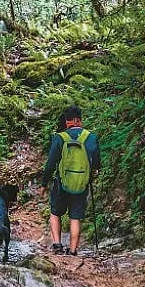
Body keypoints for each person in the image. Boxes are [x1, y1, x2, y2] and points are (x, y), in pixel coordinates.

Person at [39, 105, 100, 255]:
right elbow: (97, 163)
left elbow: (50, 164)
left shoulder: (60, 137)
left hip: (61, 182)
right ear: (79, 120)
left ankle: (57, 245)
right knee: (75, 218)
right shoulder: (91, 137)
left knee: (55, 213)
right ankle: (72, 251)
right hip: (81, 183)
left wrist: (44, 184)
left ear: (69, 121)